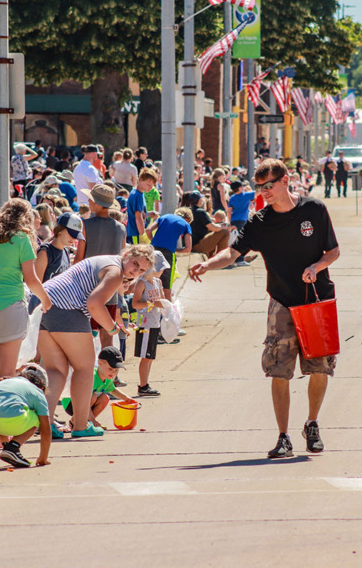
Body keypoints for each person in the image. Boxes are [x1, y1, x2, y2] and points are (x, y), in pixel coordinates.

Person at [189, 159, 340, 459]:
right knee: (279, 370)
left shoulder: (314, 210)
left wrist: (317, 265)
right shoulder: (260, 222)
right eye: (260, 187)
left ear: (285, 181)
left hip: (315, 299)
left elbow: (333, 250)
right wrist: (207, 263)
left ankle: (312, 423)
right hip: (281, 301)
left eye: (269, 186)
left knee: (320, 367)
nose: (265, 192)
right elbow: (232, 252)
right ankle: (283, 436)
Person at [38, 245, 154, 438]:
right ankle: (81, 425)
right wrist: (111, 328)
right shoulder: (116, 270)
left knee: (56, 370)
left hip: (43, 303)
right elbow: (94, 304)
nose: (136, 271)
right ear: (126, 255)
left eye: (141, 270)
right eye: (135, 264)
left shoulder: (106, 261)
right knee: (84, 369)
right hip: (66, 308)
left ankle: (46, 423)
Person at [0, 198, 53, 380]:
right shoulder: (22, 239)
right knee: (6, 373)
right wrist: (46, 301)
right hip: (11, 308)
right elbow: (31, 280)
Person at [0, 364, 52, 469]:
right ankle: (13, 447)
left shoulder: (4, 382)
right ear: (42, 386)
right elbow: (46, 429)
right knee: (36, 418)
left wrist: (5, 446)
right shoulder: (38, 392)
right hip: (11, 417)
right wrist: (43, 458)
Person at [74, 184, 126, 347]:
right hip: (110, 286)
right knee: (107, 333)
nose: (88, 202)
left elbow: (79, 258)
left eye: (90, 199)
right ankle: (108, 367)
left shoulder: (86, 225)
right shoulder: (121, 228)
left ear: (96, 203)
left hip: (87, 286)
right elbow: (122, 258)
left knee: (86, 334)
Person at [61, 346, 136, 428]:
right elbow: (84, 400)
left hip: (86, 404)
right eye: (110, 368)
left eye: (116, 370)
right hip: (72, 403)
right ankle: (78, 420)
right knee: (93, 396)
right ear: (100, 363)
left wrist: (127, 398)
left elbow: (113, 390)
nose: (113, 372)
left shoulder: (108, 378)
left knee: (105, 397)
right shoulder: (91, 377)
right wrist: (94, 420)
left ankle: (87, 422)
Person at [28, 212, 83, 314]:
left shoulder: (66, 252)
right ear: (60, 230)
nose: (74, 239)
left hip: (59, 309)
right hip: (43, 309)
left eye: (76, 236)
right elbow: (36, 286)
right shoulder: (45, 252)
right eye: (71, 234)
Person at [131, 251, 169, 397]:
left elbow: (162, 300)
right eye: (160, 268)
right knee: (145, 356)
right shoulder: (142, 283)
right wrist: (153, 303)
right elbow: (135, 304)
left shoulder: (158, 282)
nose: (163, 271)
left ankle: (145, 384)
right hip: (145, 323)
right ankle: (143, 385)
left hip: (155, 322)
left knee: (150, 356)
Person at [146, 207, 193, 301]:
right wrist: (175, 250)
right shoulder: (186, 224)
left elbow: (148, 230)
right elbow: (188, 248)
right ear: (188, 219)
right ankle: (167, 313)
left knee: (148, 279)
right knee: (166, 286)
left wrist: (153, 241)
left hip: (152, 250)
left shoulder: (164, 217)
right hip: (167, 254)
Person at [189, 191, 230, 258]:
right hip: (197, 244)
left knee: (211, 232)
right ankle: (221, 258)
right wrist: (223, 226)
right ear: (200, 200)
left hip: (189, 244)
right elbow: (213, 227)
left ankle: (211, 258)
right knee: (224, 232)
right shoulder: (200, 212)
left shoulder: (189, 211)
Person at [125, 168, 157, 244]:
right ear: (141, 179)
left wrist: (148, 213)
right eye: (148, 184)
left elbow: (137, 212)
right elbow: (138, 218)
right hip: (135, 233)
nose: (150, 187)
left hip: (134, 232)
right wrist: (142, 234)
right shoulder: (137, 195)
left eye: (152, 186)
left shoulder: (139, 193)